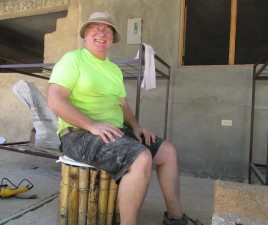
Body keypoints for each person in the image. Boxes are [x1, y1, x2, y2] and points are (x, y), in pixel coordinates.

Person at [47, 11, 202, 225]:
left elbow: (123, 105)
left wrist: (136, 126)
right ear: (85, 34)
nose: (102, 33)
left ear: (112, 39)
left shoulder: (113, 69)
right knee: (141, 158)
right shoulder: (73, 59)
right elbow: (55, 100)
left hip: (112, 131)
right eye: (97, 28)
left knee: (167, 151)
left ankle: (175, 218)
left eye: (108, 30)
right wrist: (92, 125)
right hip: (78, 133)